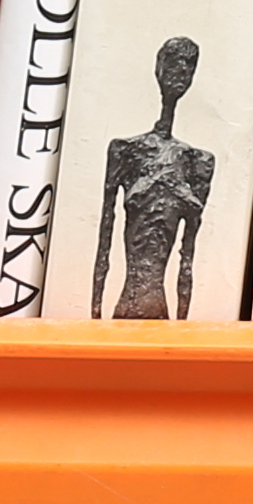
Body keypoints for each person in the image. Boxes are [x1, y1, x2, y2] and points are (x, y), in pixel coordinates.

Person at [91, 36, 214, 320]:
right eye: (174, 62)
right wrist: (95, 317)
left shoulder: (198, 161)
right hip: (126, 305)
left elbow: (187, 259)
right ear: (159, 68)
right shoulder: (125, 150)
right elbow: (104, 245)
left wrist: (182, 327)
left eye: (188, 65)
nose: (181, 71)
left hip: (162, 312)